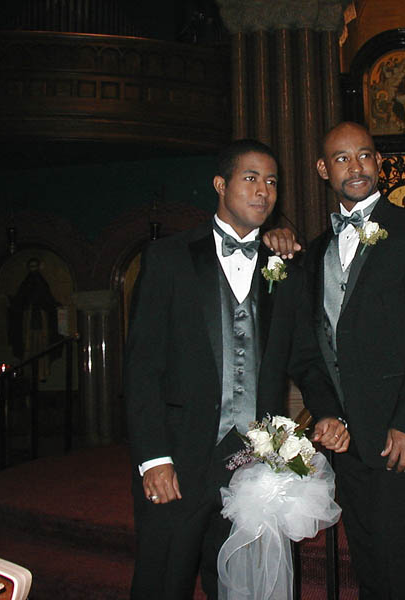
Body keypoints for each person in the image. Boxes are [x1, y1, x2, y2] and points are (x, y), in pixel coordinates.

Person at [124, 139, 348, 600]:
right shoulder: (169, 258)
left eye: (272, 182)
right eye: (251, 178)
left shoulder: (285, 268)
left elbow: (305, 358)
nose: (263, 191)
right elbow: (142, 366)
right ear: (220, 185)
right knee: (162, 581)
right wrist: (154, 457)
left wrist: (328, 412)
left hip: (252, 463)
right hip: (179, 458)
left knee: (241, 586)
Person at [300, 121, 405, 599]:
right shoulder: (315, 252)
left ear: (380, 163)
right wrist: (326, 412)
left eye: (365, 155)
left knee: (394, 542)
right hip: (348, 435)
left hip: (401, 430)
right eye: (342, 158)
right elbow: (312, 346)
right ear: (323, 169)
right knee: (367, 546)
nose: (356, 167)